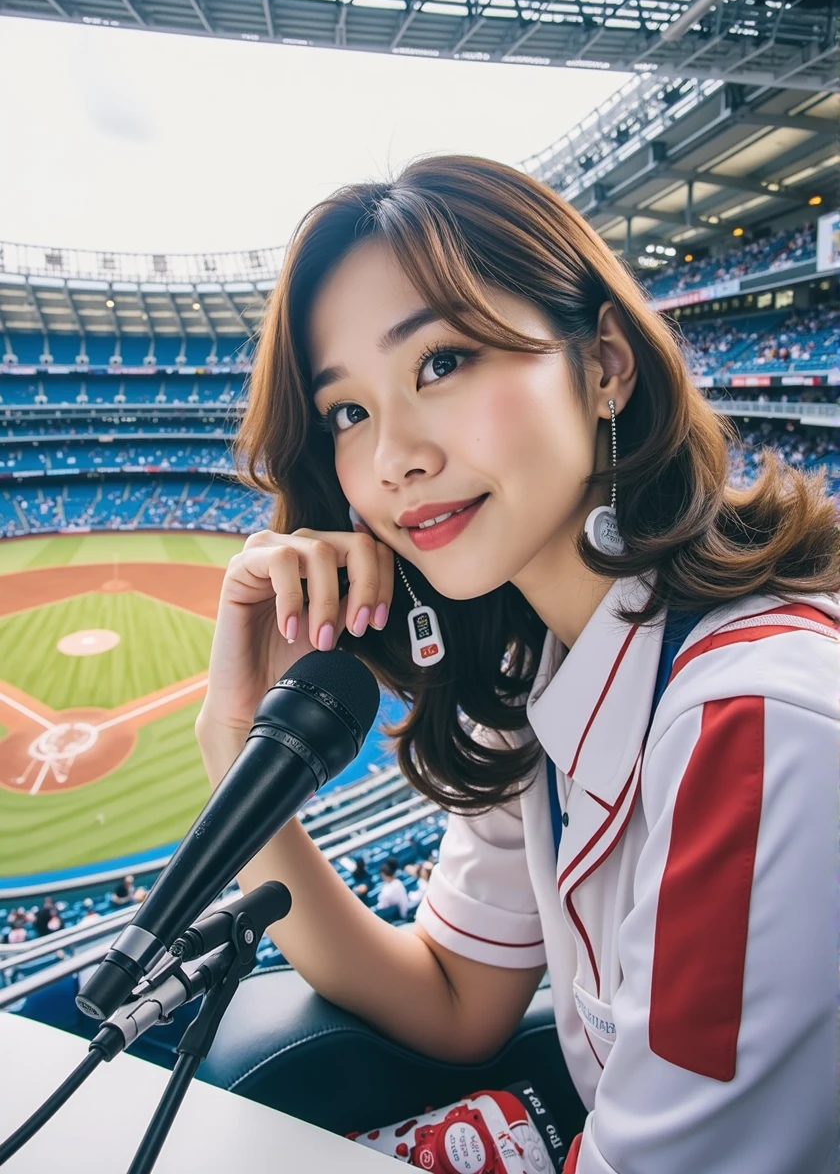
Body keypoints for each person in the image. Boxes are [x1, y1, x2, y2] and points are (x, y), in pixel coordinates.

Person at [194, 155, 839, 1174]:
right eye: (347, 412)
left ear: (605, 364)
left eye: (442, 362)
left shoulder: (756, 728)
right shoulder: (533, 670)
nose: (392, 457)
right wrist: (238, 742)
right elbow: (453, 999)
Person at [374, 856, 409, 922]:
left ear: (383, 875)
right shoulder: (398, 882)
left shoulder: (388, 890)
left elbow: (383, 905)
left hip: (398, 917)